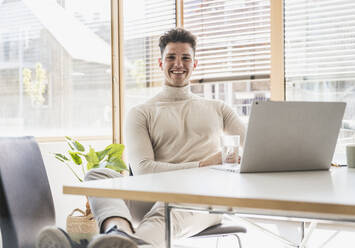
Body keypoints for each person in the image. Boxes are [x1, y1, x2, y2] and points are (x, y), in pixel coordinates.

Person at [37, 28, 245, 248]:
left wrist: (231, 160)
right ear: (160, 63)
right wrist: (203, 164)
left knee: (170, 206)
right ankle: (119, 231)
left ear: (194, 64)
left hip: (203, 199)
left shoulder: (218, 108)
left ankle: (113, 242)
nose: (178, 64)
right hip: (152, 194)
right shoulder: (142, 112)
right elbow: (145, 170)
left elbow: (254, 146)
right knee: (97, 175)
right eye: (171, 57)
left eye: (185, 58)